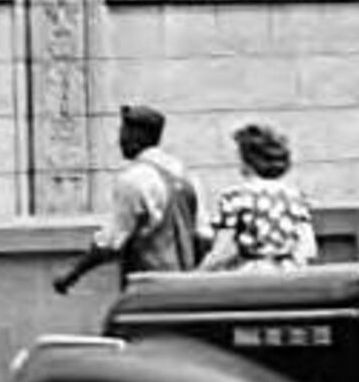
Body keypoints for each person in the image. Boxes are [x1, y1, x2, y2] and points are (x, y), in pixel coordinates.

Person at [56, 103, 201, 297]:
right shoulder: (186, 175)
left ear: (137, 136)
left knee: (118, 326)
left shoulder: (133, 179)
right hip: (188, 288)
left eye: (123, 132)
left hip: (148, 287)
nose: (120, 141)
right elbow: (203, 235)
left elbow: (112, 241)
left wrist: (73, 274)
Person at [198, 123, 319, 273]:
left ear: (248, 162)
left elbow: (224, 249)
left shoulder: (236, 196)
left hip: (250, 274)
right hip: (288, 273)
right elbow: (308, 249)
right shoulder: (296, 197)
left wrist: (200, 272)